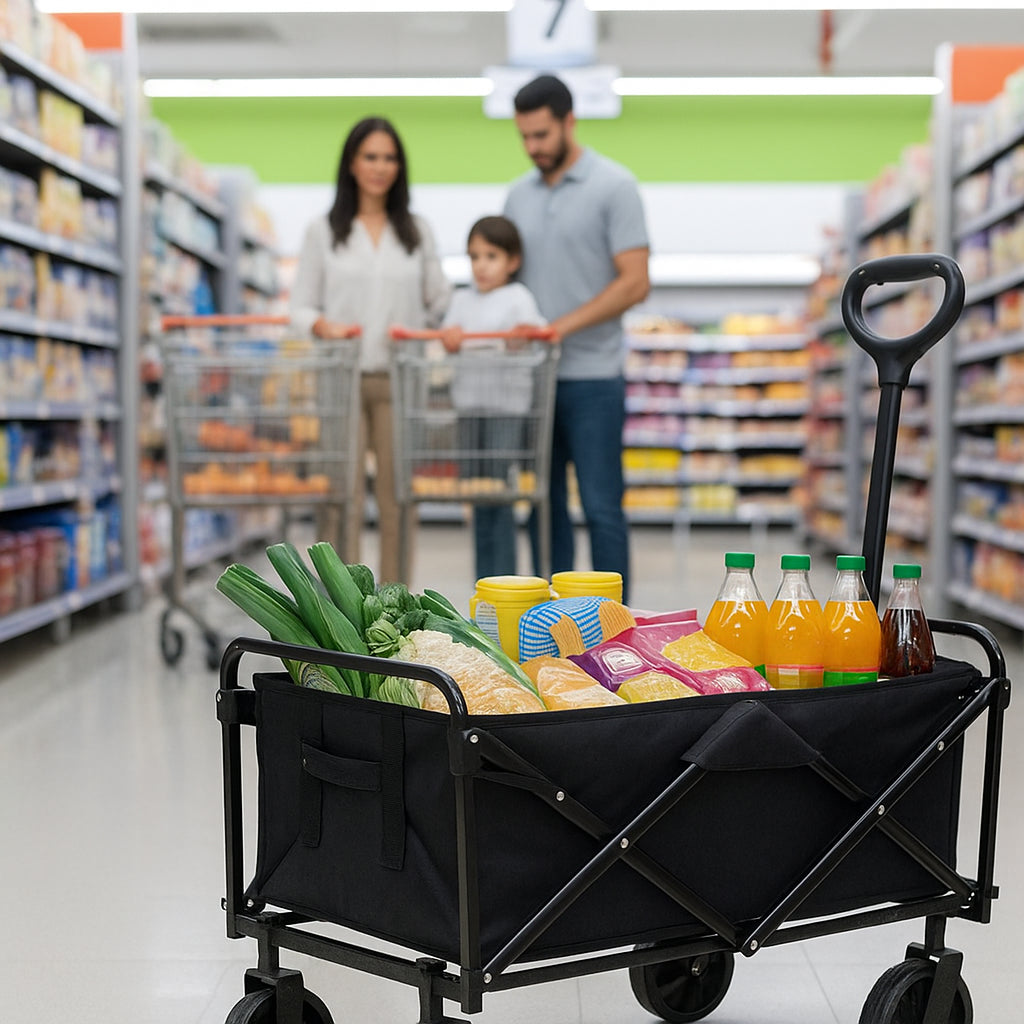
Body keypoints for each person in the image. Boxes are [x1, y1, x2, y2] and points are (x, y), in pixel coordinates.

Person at [503, 74, 650, 603]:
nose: (532, 147)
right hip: (535, 384)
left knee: (601, 507)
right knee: (544, 510)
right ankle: (549, 626)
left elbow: (636, 281)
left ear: (569, 121)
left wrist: (558, 328)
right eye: (523, 136)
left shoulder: (614, 186)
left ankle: (616, 627)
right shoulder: (517, 196)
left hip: (594, 378)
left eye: (541, 135)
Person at [290, 116, 451, 584]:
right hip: (341, 376)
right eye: (371, 157)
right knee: (342, 496)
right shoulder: (323, 231)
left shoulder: (416, 230)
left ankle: (396, 598)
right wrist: (323, 325)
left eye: (389, 158)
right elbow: (300, 305)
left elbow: (438, 297)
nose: (381, 167)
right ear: (352, 164)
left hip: (399, 378)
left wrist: (425, 325)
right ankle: (342, 602)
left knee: (398, 496)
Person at [439, 215, 547, 580]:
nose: (481, 266)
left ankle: (503, 582)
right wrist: (449, 338)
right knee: (478, 496)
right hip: (469, 407)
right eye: (474, 257)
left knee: (500, 497)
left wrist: (526, 335)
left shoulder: (519, 298)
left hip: (506, 409)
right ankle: (483, 583)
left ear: (512, 261)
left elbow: (535, 337)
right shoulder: (460, 299)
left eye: (491, 256)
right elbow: (448, 337)